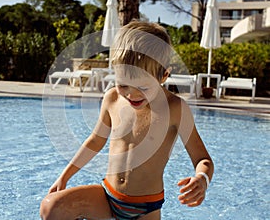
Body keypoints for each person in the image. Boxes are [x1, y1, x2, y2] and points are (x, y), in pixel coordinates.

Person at [40, 20, 214, 220]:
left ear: (164, 75)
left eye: (143, 87)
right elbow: (95, 141)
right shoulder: (112, 98)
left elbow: (203, 159)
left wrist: (202, 179)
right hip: (107, 196)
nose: (132, 95)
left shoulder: (175, 109)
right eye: (123, 85)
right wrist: (64, 177)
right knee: (50, 208)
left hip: (145, 208)